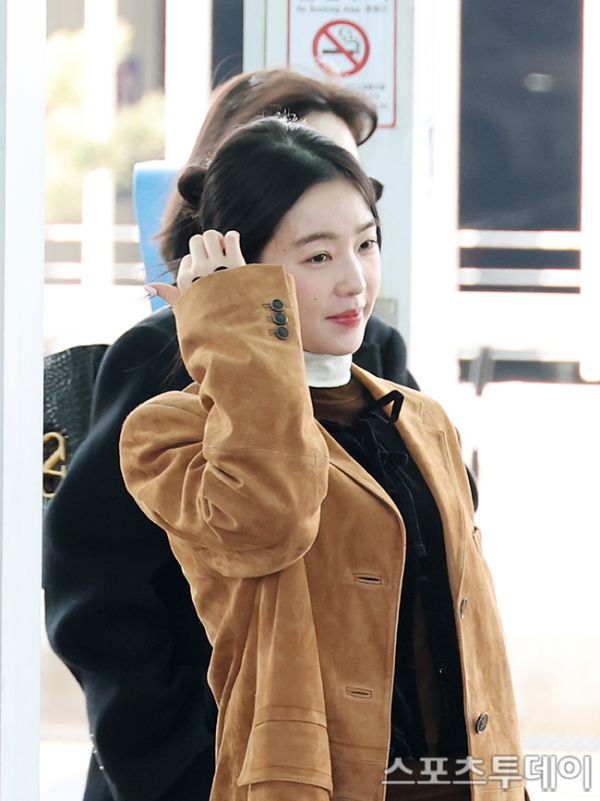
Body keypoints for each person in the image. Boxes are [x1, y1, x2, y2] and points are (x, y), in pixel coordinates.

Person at [119, 116, 526, 801]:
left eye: (365, 244)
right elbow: (270, 520)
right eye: (316, 258)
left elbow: (479, 644)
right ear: (244, 276)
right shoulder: (173, 432)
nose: (354, 281)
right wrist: (237, 325)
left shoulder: (421, 420)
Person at [42, 69, 418, 801]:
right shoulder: (163, 356)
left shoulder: (377, 354)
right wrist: (179, 760)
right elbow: (100, 590)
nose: (333, 187)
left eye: (354, 193)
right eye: (316, 244)